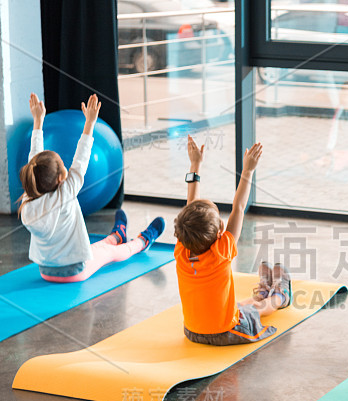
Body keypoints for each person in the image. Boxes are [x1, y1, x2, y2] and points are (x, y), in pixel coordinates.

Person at [19, 93, 164, 283]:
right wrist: (90, 122)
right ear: (61, 177)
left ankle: (117, 235)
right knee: (113, 253)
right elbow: (81, 158)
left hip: (45, 271)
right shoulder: (65, 193)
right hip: (75, 272)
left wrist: (38, 121)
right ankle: (143, 241)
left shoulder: (28, 199)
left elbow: (35, 162)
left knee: (98, 248)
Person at [173, 135, 291, 346]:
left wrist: (195, 164)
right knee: (255, 311)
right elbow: (238, 208)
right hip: (224, 332)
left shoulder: (182, 249)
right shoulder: (221, 252)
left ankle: (262, 292)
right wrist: (248, 171)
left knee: (237, 305)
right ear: (219, 231)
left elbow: (191, 204)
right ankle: (280, 297)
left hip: (192, 331)